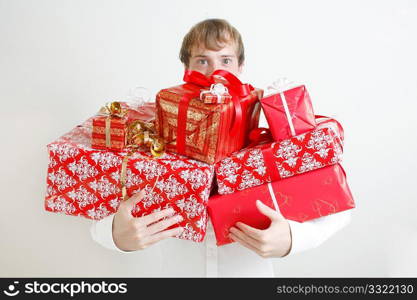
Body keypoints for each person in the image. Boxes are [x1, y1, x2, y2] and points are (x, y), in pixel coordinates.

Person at [90, 18, 352, 277]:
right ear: (186, 68)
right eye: (202, 61)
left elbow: (336, 204)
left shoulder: (269, 138)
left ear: (240, 67)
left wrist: (294, 238)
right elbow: (99, 208)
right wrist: (116, 236)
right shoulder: (157, 137)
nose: (214, 73)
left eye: (225, 61)